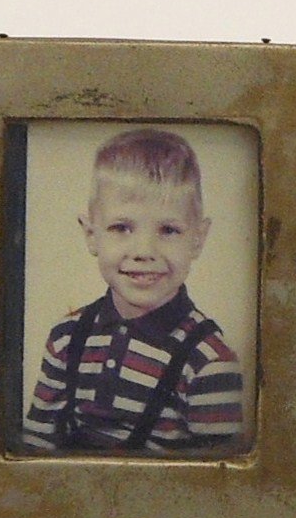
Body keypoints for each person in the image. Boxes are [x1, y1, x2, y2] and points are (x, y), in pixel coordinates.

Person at [23, 129, 244, 452]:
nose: (144, 251)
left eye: (168, 230)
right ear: (91, 235)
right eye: (121, 228)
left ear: (197, 238)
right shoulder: (67, 337)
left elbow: (217, 486)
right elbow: (36, 446)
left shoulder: (208, 361)